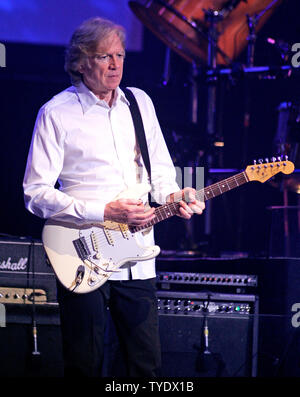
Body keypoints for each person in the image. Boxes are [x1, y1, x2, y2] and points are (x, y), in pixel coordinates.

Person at [23, 16, 205, 377]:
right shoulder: (56, 113)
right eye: (105, 56)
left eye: (120, 55)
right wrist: (102, 210)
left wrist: (178, 194)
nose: (115, 64)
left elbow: (162, 173)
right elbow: (35, 193)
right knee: (85, 363)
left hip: (138, 255)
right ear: (80, 61)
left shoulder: (139, 104)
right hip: (81, 252)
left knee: (146, 365)